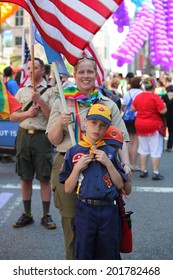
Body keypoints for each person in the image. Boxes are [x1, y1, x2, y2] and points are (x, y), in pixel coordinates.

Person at [46, 55, 131, 259]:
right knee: (72, 228)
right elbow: (53, 139)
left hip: (101, 167)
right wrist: (60, 122)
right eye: (81, 72)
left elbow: (122, 139)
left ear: (96, 74)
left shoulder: (107, 103)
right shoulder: (62, 101)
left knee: (103, 232)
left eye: (90, 72)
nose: (86, 76)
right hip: (68, 164)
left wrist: (126, 164)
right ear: (74, 75)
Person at [59, 104, 129, 260]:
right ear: (85, 122)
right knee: (84, 252)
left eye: (103, 125)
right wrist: (77, 168)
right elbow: (68, 189)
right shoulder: (74, 151)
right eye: (94, 123)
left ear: (107, 129)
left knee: (108, 254)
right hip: (85, 210)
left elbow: (120, 185)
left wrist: (108, 163)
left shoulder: (110, 151)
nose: (97, 128)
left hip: (108, 211)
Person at [10, 57, 57, 229]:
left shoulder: (51, 91)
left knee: (44, 177)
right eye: (28, 68)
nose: (30, 71)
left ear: (42, 70)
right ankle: (27, 213)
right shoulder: (22, 92)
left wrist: (40, 100)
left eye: (34, 67)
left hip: (42, 137)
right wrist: (28, 114)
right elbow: (12, 116)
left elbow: (53, 115)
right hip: (23, 136)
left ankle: (46, 215)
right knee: (25, 176)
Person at [131, 77, 167, 180]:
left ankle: (143, 170)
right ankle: (155, 172)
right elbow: (163, 111)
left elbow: (133, 109)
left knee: (143, 149)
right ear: (154, 86)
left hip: (140, 125)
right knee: (155, 150)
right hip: (154, 126)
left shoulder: (139, 96)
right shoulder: (155, 97)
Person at [122, 77, 143, 171]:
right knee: (136, 142)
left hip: (128, 119)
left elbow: (123, 106)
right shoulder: (141, 93)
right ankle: (134, 164)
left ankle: (129, 163)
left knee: (129, 141)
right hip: (137, 117)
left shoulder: (128, 93)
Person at [162, 85, 173, 152]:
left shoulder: (164, 96)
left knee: (163, 131)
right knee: (171, 132)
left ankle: (162, 146)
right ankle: (169, 146)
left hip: (165, 116)